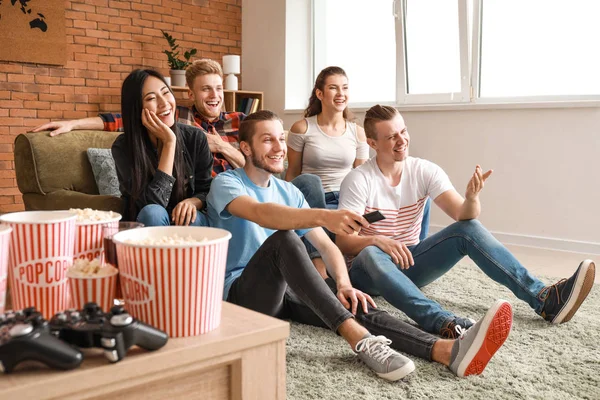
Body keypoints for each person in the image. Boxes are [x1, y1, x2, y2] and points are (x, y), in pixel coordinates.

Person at [206, 109, 514, 381]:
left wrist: (343, 284)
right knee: (285, 239)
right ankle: (360, 341)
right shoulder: (227, 183)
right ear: (245, 147)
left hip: (285, 292)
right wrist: (325, 215)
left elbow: (326, 247)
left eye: (280, 139)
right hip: (242, 296)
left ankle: (446, 351)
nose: (278, 148)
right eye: (267, 141)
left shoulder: (289, 191)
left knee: (355, 304)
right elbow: (263, 215)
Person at [336, 104, 596, 339]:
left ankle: (544, 298)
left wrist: (471, 198)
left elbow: (464, 216)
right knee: (370, 252)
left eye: (403, 131)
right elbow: (344, 242)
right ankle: (442, 322)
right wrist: (378, 241)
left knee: (468, 229)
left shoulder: (424, 170)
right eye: (391, 136)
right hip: (367, 272)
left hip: (410, 261)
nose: (401, 140)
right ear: (372, 142)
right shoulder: (359, 180)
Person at [30, 59, 325, 210]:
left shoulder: (242, 120)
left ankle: (318, 262)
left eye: (219, 88)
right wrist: (72, 124)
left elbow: (261, 163)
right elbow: (119, 120)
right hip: (216, 196)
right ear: (190, 93)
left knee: (309, 185)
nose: (214, 96)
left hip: (249, 185)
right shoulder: (179, 118)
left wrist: (222, 146)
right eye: (206, 89)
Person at [104, 69, 213, 227]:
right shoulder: (123, 147)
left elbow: (206, 190)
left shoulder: (195, 138)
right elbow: (152, 204)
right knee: (153, 213)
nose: (164, 103)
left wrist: (192, 202)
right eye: (151, 98)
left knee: (192, 217)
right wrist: (169, 143)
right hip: (148, 223)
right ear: (137, 108)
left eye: (166, 93)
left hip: (187, 220)